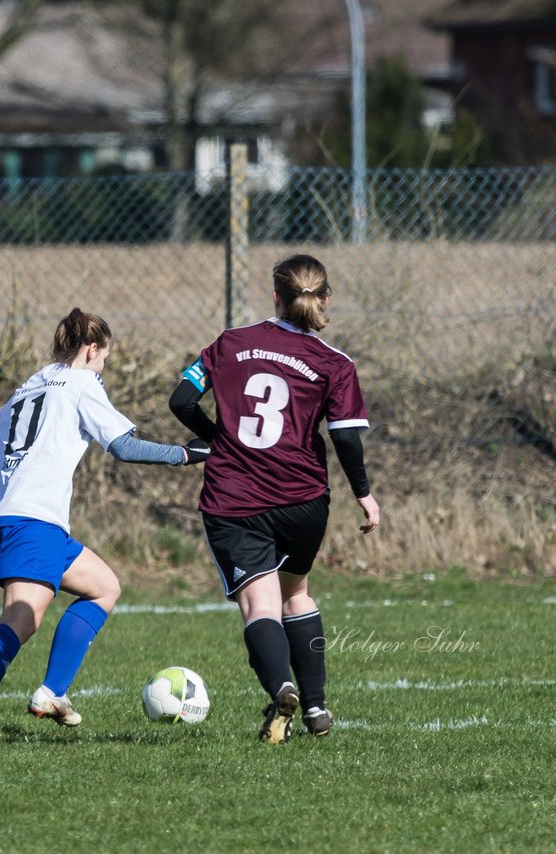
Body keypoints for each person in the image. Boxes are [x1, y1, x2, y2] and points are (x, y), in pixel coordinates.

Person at [0, 308, 208, 741]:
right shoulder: (82, 383)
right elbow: (123, 447)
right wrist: (187, 455)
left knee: (104, 586)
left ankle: (53, 691)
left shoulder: (31, 383)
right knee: (20, 621)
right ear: (91, 348)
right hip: (34, 520)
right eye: (103, 358)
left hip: (11, 520)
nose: (103, 368)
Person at [168, 254, 380, 744]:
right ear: (325, 299)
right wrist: (365, 496)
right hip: (304, 499)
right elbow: (346, 438)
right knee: (297, 592)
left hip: (235, 496)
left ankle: (281, 684)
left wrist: (218, 438)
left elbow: (181, 400)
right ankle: (318, 708)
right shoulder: (335, 364)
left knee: (258, 606)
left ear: (274, 297)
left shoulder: (230, 343)